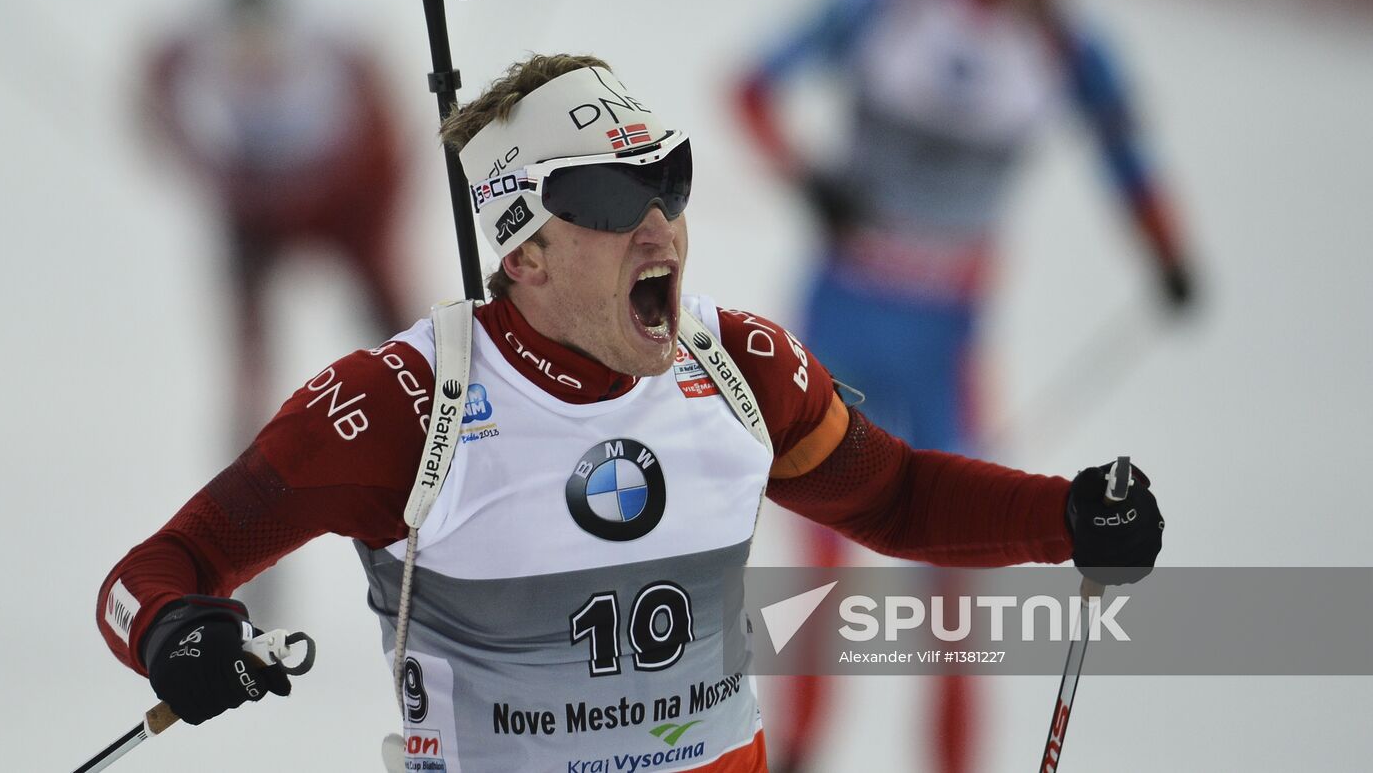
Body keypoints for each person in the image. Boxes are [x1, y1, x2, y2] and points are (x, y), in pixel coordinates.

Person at [96, 55, 1165, 773]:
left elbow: (892, 493)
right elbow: (154, 570)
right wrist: (178, 632)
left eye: (669, 180)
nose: (659, 225)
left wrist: (1061, 514)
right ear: (523, 247)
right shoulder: (404, 404)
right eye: (611, 200)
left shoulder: (738, 362)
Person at [733, 0, 1195, 770]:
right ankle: (800, 750)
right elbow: (752, 87)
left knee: (957, 566)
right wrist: (808, 181)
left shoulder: (1069, 44)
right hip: (846, 316)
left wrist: (1166, 251)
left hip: (950, 333)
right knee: (821, 554)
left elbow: (1125, 154)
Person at [141, 0, 412, 445]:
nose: (256, 66)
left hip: (347, 195)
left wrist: (324, 184)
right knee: (246, 322)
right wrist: (209, 170)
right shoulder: (191, 35)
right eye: (242, 55)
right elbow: (153, 94)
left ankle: (425, 396)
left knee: (383, 297)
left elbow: (387, 128)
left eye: (268, 53)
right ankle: (248, 443)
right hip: (256, 191)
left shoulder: (335, 35)